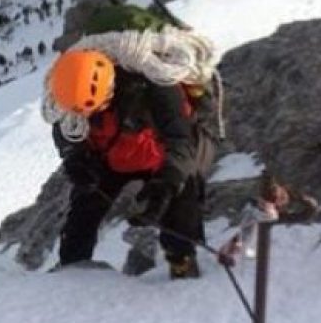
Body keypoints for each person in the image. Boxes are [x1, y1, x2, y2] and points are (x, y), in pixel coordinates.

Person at [43, 42, 218, 279]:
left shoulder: (157, 86)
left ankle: (183, 263)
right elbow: (65, 129)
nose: (89, 117)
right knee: (84, 208)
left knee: (180, 204)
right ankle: (72, 267)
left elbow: (181, 142)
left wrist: (166, 184)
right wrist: (75, 157)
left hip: (162, 158)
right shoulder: (68, 97)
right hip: (112, 157)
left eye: (98, 108)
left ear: (109, 87)